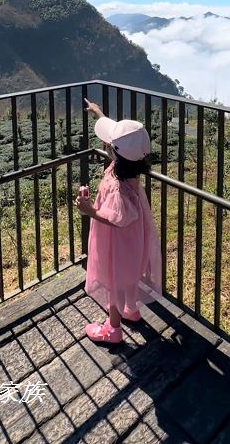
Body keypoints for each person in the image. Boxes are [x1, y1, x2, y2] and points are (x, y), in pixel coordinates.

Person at [75, 99, 162, 344]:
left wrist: (89, 210)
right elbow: (118, 140)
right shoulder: (130, 167)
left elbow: (118, 219)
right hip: (134, 235)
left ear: (115, 151)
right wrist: (98, 113)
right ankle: (130, 309)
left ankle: (113, 329)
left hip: (116, 239)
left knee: (113, 277)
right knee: (127, 273)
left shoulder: (116, 186)